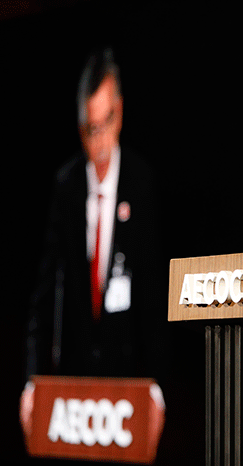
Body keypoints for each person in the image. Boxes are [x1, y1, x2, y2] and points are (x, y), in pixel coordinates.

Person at [26, 48, 168, 382]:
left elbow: (154, 296)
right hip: (74, 376)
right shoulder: (66, 185)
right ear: (80, 129)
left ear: (119, 112)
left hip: (125, 374)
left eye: (108, 122)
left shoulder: (141, 182)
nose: (101, 141)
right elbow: (44, 295)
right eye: (92, 129)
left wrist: (157, 387)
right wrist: (31, 382)